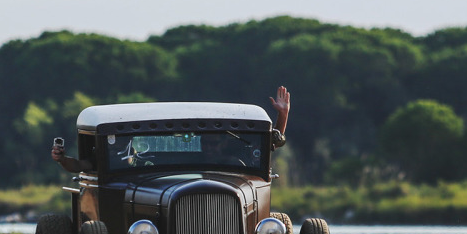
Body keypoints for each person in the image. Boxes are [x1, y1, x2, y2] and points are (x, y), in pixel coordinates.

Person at [50, 85, 290, 171]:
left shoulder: (236, 162)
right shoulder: (166, 159)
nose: (210, 145)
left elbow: (272, 142)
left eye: (215, 141)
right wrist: (63, 160)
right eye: (207, 141)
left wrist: (282, 114)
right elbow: (82, 166)